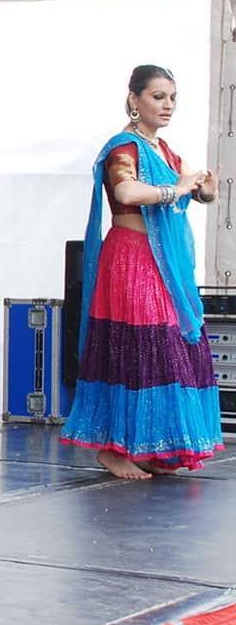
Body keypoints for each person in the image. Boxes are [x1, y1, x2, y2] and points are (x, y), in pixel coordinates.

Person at [60, 65, 222, 478]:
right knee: (139, 345)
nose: (167, 105)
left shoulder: (164, 150)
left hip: (162, 263)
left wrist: (203, 190)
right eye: (158, 96)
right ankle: (112, 449)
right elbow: (126, 191)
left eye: (172, 98)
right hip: (130, 258)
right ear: (134, 99)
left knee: (170, 343)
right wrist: (177, 189)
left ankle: (150, 446)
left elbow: (187, 188)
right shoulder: (124, 147)